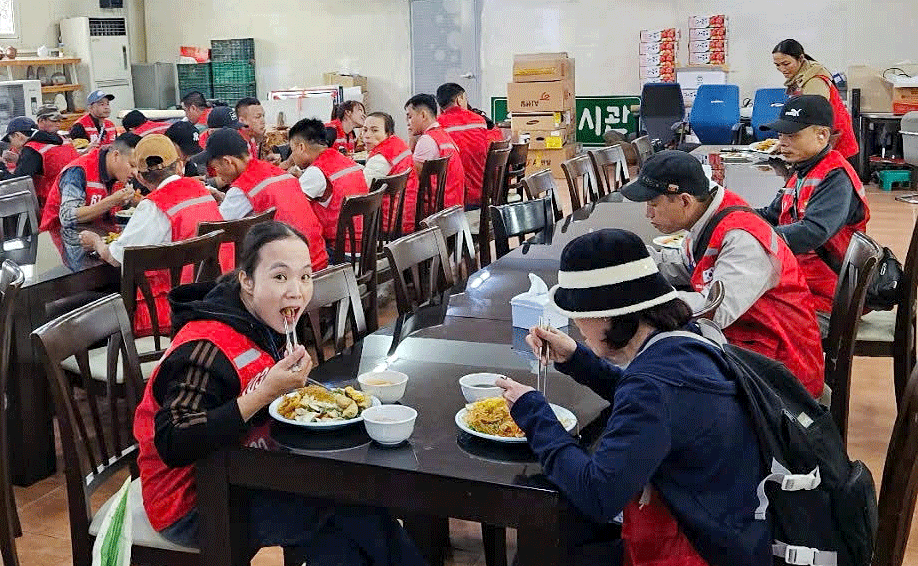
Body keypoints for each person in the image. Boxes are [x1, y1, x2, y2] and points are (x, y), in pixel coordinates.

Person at [132, 220, 427, 564]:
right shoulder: (205, 347)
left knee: (347, 518)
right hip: (191, 503)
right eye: (280, 276)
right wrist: (263, 394)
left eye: (305, 276)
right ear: (246, 280)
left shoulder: (262, 321)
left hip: (245, 471)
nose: (297, 291)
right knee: (349, 508)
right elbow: (174, 439)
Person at [495, 229, 770, 565]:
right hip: (727, 522)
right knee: (562, 525)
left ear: (610, 313)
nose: (576, 325)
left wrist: (533, 412)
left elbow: (599, 494)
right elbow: (646, 398)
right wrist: (577, 359)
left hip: (701, 547)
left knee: (548, 539)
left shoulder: (652, 387)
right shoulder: (683, 339)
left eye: (580, 315)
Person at [622, 150, 825, 398]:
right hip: (747, 346)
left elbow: (714, 312)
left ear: (684, 201)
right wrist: (628, 259)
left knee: (655, 388)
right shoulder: (707, 215)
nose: (647, 213)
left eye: (653, 204)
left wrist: (640, 300)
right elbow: (685, 266)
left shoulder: (741, 238)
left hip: (780, 373)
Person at [78, 134, 233, 335]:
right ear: (179, 166)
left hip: (168, 311)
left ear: (141, 177)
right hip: (211, 298)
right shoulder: (202, 190)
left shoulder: (154, 206)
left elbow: (115, 258)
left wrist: (96, 242)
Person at [757, 95, 869, 312]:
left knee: (745, 318)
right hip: (800, 282)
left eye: (792, 135)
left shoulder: (836, 176)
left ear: (822, 135)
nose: (782, 143)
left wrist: (755, 237)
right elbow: (771, 214)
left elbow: (813, 231)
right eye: (781, 135)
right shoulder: (802, 170)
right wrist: (729, 215)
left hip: (829, 299)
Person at [203, 127, 328, 272]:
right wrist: (226, 197)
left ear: (228, 162)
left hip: (292, 273)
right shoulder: (276, 172)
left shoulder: (244, 187)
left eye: (215, 168)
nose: (216, 174)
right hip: (317, 259)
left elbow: (215, 226)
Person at [288, 118, 368, 251]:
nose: (293, 157)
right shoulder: (348, 162)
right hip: (364, 246)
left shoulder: (316, 172)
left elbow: (290, 210)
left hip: (339, 250)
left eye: (292, 150)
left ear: (301, 147)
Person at [772, 39, 858, 159]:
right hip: (824, 144)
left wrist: (787, 144)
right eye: (777, 65)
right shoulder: (801, 78)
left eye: (786, 64)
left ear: (801, 59)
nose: (782, 69)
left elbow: (815, 119)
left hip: (836, 148)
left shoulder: (814, 81)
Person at [39, 132, 140, 230]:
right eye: (132, 165)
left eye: (138, 168)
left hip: (98, 233)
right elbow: (67, 217)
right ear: (116, 155)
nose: (135, 172)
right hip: (61, 237)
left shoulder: (119, 175)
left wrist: (135, 202)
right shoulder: (78, 171)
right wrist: (113, 201)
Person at [362, 111, 419, 236]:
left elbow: (360, 190)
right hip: (406, 215)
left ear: (388, 133)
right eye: (365, 130)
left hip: (386, 222)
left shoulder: (381, 159)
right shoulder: (399, 144)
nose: (367, 135)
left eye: (374, 130)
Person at [404, 93, 464, 209]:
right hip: (453, 205)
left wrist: (410, 143)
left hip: (436, 211)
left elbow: (410, 178)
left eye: (410, 117)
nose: (408, 122)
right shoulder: (444, 136)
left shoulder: (427, 140)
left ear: (423, 115)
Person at [435, 83, 490, 209]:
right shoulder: (479, 121)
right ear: (459, 99)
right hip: (479, 194)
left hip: (451, 200)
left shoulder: (438, 125)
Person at [15, 110, 79, 206]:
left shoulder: (33, 148)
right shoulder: (65, 140)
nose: (58, 124)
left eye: (59, 121)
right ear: (41, 122)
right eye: (54, 121)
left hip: (52, 203)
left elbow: (20, 181)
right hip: (76, 195)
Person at [236, 97, 279, 163]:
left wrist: (265, 161)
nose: (263, 121)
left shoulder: (251, 138)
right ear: (242, 120)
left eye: (263, 116)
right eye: (257, 117)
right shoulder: (238, 144)